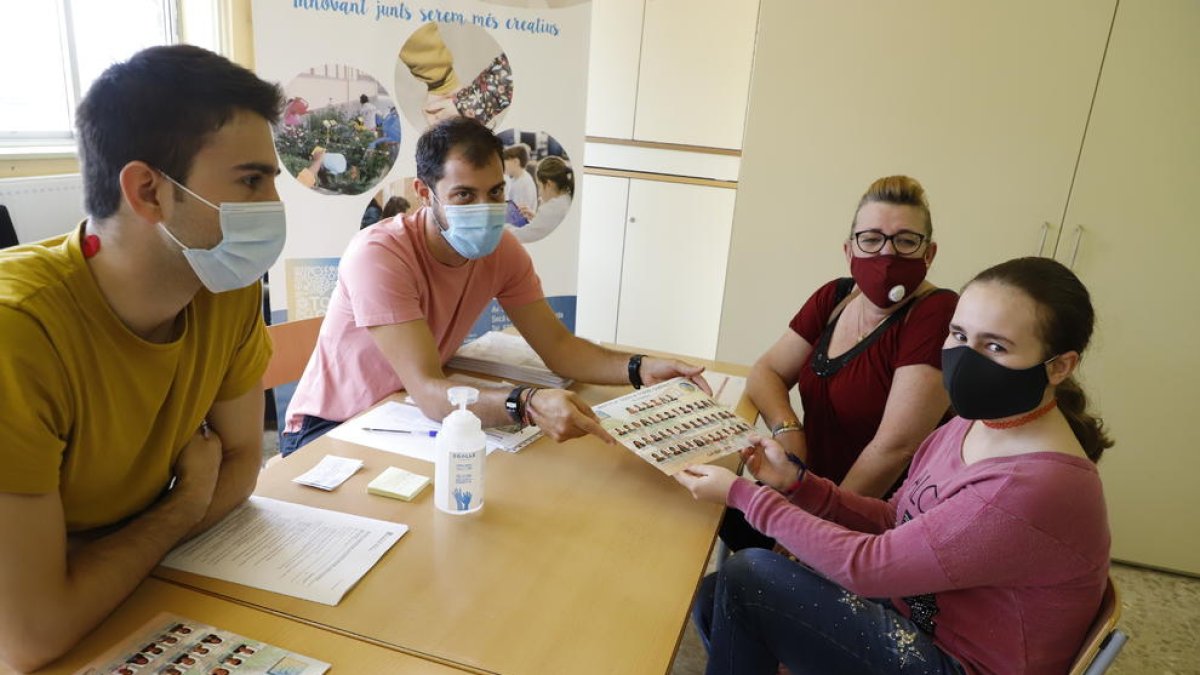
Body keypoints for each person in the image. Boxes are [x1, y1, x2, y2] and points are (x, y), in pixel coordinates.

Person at [677, 256, 1112, 675]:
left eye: (995, 346)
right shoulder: (974, 424)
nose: (966, 358)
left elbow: (869, 567)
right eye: (959, 335)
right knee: (721, 594)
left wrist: (745, 497)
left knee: (748, 579)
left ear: (1060, 367)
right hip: (917, 620)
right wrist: (798, 484)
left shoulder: (1033, 487)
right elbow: (893, 518)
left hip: (956, 661)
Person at [0, 45, 284, 672]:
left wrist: (95, 565)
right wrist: (183, 506)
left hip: (130, 600)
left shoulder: (228, 289)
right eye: (250, 180)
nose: (273, 203)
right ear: (149, 191)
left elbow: (241, 465)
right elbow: (27, 638)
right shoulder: (16, 334)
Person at [281, 117, 708, 455]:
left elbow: (559, 347)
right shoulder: (380, 254)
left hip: (405, 419)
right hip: (334, 428)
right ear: (423, 192)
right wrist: (526, 403)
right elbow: (431, 393)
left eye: (495, 191)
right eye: (464, 195)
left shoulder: (502, 250)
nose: (485, 209)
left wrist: (640, 368)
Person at [723, 176, 957, 552]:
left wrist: (809, 529)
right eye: (871, 239)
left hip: (867, 523)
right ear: (849, 251)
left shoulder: (936, 313)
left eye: (906, 240)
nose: (887, 254)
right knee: (705, 509)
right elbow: (765, 371)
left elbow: (895, 447)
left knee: (738, 577)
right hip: (803, 488)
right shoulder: (835, 297)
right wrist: (789, 432)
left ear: (929, 255)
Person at [513, 156, 573, 244]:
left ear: (549, 184)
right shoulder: (566, 198)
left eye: (539, 186)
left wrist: (504, 227)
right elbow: (550, 224)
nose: (539, 193)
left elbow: (521, 236)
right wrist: (536, 218)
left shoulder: (552, 209)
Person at [502, 144, 537, 214]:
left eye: (504, 162)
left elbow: (518, 215)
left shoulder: (523, 184)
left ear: (516, 162)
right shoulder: (516, 178)